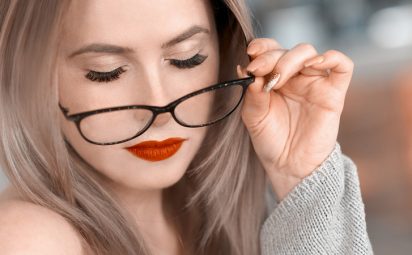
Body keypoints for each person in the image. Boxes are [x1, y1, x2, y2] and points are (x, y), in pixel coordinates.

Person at [0, 0, 372, 254]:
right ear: (31, 78)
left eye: (186, 59)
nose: (160, 105)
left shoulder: (229, 206)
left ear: (226, 51)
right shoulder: (28, 239)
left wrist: (300, 176)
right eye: (106, 72)